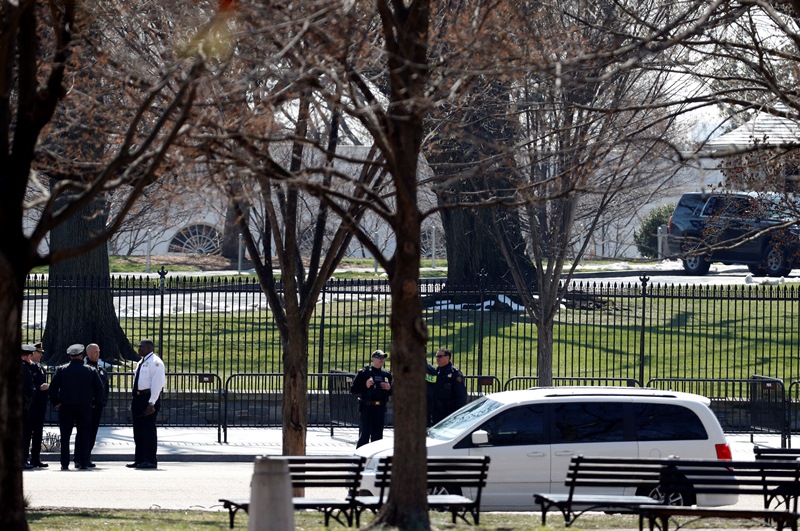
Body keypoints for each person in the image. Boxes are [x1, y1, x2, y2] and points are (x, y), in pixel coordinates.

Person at [48, 344, 104, 470]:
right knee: (84, 434)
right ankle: (83, 462)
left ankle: (64, 462)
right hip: (85, 407)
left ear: (70, 356)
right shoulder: (90, 370)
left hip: (66, 406)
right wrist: (94, 403)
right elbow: (99, 390)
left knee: (65, 435)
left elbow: (52, 389)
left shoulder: (62, 370)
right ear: (82, 355)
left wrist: (56, 402)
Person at [128, 339, 165, 469]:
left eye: (141, 347)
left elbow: (157, 384)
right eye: (138, 347)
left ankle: (150, 460)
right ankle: (139, 459)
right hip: (138, 398)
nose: (139, 349)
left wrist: (151, 403)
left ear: (149, 348)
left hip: (148, 398)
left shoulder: (156, 363)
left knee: (148, 431)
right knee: (138, 431)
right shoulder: (141, 362)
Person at [350, 350, 392, 448]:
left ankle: (375, 459)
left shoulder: (386, 374)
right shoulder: (364, 373)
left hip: (380, 408)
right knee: (365, 434)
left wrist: (389, 388)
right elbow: (353, 389)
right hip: (367, 407)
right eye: (379, 357)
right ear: (373, 359)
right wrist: (365, 385)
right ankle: (359, 458)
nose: (382, 360)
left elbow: (393, 391)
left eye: (383, 358)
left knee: (377, 436)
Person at [426, 348, 468, 426]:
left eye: (440, 356)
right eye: (436, 356)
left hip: (449, 414)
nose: (437, 358)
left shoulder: (455, 374)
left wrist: (457, 415)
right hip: (437, 414)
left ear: (447, 357)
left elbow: (461, 396)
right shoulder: (436, 371)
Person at [83, 343, 108, 468]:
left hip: (98, 406)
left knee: (93, 432)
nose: (97, 354)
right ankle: (81, 457)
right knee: (84, 432)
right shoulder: (84, 368)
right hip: (86, 406)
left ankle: (87, 457)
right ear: (87, 353)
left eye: (98, 352)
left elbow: (105, 388)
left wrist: (103, 402)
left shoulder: (100, 369)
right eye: (94, 352)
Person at [25, 343, 50, 468]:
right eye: (39, 352)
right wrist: (39, 389)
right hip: (30, 406)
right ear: (32, 353)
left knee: (38, 433)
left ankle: (36, 458)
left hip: (40, 405)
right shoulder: (26, 367)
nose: (41, 355)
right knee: (27, 433)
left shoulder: (40, 367)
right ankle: (24, 459)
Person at [20, 344, 37, 470]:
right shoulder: (24, 367)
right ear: (27, 356)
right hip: (22, 408)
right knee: (24, 435)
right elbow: (28, 389)